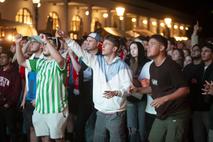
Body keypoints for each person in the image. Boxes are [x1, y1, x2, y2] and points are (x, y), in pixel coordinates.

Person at [58, 30, 132, 142]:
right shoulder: (96, 61)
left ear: (114, 49)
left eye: (107, 44)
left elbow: (129, 88)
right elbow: (81, 52)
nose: (103, 46)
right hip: (100, 111)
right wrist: (68, 39)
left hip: (116, 113)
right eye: (104, 43)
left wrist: (117, 92)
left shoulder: (122, 66)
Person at [131, 35, 190, 142]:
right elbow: (154, 88)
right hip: (162, 114)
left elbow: (185, 89)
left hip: (176, 114)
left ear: (162, 47)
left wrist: (164, 98)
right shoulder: (152, 66)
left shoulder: (171, 66)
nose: (148, 47)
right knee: (153, 139)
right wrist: (138, 90)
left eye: (152, 44)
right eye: (147, 45)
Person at [16, 34, 68, 142]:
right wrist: (17, 44)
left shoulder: (60, 63)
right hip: (40, 109)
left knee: (58, 138)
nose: (44, 47)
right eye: (43, 45)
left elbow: (59, 60)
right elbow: (21, 62)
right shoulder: (39, 62)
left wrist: (46, 42)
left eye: (47, 45)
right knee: (44, 137)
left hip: (56, 109)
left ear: (54, 48)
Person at [125, 41, 149, 142]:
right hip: (130, 96)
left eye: (135, 48)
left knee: (142, 127)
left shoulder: (146, 62)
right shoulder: (127, 61)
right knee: (132, 127)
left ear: (140, 48)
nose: (132, 51)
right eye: (131, 49)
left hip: (142, 96)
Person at [0, 48, 21, 142]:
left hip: (9, 107)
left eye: (3, 57)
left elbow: (16, 90)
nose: (1, 59)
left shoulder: (14, 73)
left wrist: (9, 103)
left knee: (12, 129)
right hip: (0, 105)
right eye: (0, 57)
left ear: (9, 59)